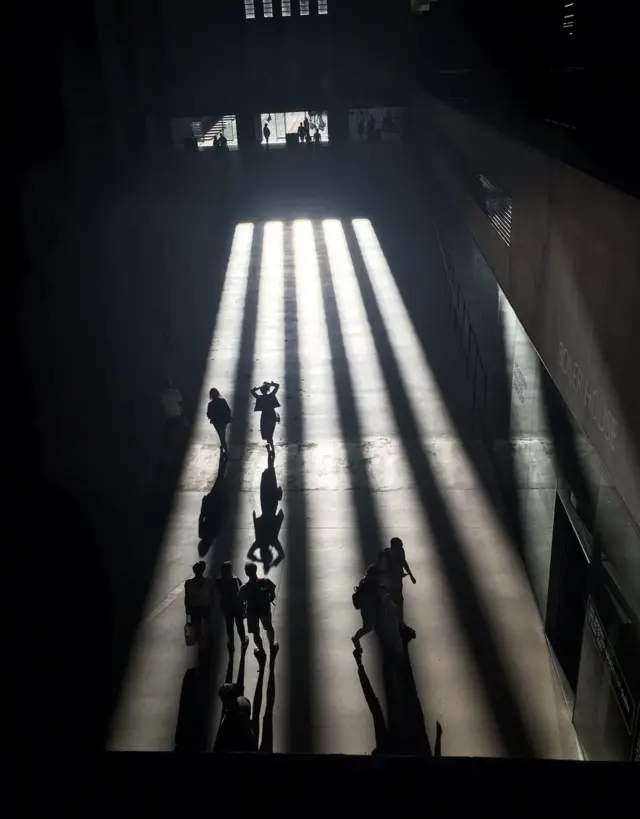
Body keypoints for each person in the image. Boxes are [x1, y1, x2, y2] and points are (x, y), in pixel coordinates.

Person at [239, 562, 278, 657]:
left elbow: (240, 599)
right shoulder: (265, 581)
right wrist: (270, 598)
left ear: (246, 573)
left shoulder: (244, 587)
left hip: (252, 613)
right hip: (264, 610)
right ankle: (272, 644)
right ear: (256, 570)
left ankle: (261, 650)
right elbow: (273, 591)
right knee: (268, 627)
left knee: (255, 633)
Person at [214, 683, 258, 753]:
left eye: (223, 700)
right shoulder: (244, 702)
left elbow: (220, 739)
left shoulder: (229, 717)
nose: (224, 704)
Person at [216, 561, 248, 652]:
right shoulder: (236, 580)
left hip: (226, 606)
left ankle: (231, 642)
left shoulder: (218, 581)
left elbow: (217, 593)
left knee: (229, 624)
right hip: (237, 606)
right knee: (239, 624)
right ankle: (243, 640)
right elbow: (241, 592)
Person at [351, 564, 381, 655]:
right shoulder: (366, 585)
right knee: (367, 627)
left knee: (375, 624)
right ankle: (356, 638)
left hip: (372, 607)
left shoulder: (372, 582)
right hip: (367, 609)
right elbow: (366, 599)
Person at [387, 536, 416, 629]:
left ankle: (397, 621)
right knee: (398, 601)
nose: (401, 547)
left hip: (398, 581)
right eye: (399, 546)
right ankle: (400, 623)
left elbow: (404, 562)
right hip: (392, 582)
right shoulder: (389, 556)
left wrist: (411, 575)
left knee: (397, 601)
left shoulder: (401, 551)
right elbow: (388, 571)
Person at [184, 562, 214, 643]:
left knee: (196, 628)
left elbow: (187, 597)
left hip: (194, 608)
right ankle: (207, 641)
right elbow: (212, 595)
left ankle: (200, 640)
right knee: (207, 626)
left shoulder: (188, 583)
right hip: (205, 607)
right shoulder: (208, 582)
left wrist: (187, 609)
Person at [250, 381, 280, 452]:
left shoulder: (259, 398)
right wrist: (271, 384)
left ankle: (271, 446)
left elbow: (252, 391)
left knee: (265, 430)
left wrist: (260, 387)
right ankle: (271, 445)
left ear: (261, 391)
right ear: (268, 390)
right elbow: (277, 386)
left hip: (264, 416)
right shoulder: (271, 395)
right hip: (272, 415)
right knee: (271, 430)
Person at [207, 387, 232, 452]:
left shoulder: (210, 404)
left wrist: (210, 416)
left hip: (216, 421)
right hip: (224, 420)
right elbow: (228, 410)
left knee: (220, 434)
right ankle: (224, 446)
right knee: (222, 434)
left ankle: (224, 447)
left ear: (211, 395)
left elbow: (209, 414)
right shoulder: (223, 401)